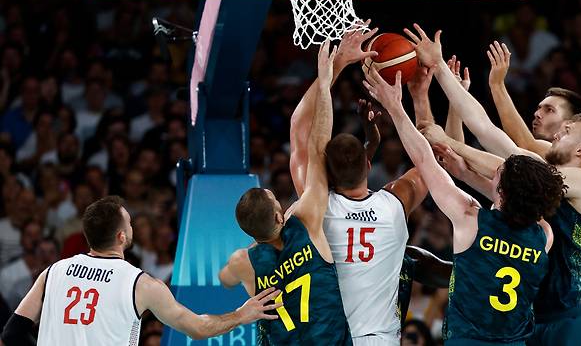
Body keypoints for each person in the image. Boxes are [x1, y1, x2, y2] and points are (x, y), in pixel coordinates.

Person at [405, 24, 581, 345]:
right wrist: (465, 173)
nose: (557, 133)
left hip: (576, 315)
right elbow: (489, 131)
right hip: (536, 315)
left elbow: (514, 161)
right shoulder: (545, 174)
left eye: (567, 129)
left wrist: (450, 140)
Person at [363, 67, 563, 345]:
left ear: (502, 192)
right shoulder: (544, 235)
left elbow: (424, 159)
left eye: (497, 174)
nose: (492, 174)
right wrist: (467, 174)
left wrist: (395, 106)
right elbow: (527, 198)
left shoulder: (470, 217)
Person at [287, 27, 432, 344]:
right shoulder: (395, 205)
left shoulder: (318, 206)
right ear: (369, 163)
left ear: (325, 171)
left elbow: (299, 130)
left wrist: (334, 68)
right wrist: (418, 96)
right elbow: (429, 163)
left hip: (330, 336)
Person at [0, 196, 279, 346]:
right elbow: (197, 328)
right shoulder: (140, 284)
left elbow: (11, 335)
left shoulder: (53, 272)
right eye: (130, 223)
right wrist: (242, 315)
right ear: (122, 237)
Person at [219, 42, 353, 344]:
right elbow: (317, 144)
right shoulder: (305, 219)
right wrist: (328, 74)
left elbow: (223, 280)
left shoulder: (243, 260)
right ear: (280, 214)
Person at [486, 40, 581, 156]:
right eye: (539, 108)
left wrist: (497, 84)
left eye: (549, 110)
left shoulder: (567, 158)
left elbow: (526, 143)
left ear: (569, 124)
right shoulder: (519, 156)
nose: (537, 114)